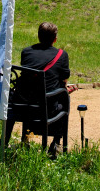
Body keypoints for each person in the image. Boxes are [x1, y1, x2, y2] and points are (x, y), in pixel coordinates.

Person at [5, 22, 70, 156]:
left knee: (36, 96)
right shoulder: (62, 55)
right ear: (55, 39)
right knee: (65, 98)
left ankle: (26, 137)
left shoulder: (26, 52)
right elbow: (64, 80)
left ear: (38, 36)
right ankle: (56, 143)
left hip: (23, 106)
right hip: (47, 108)